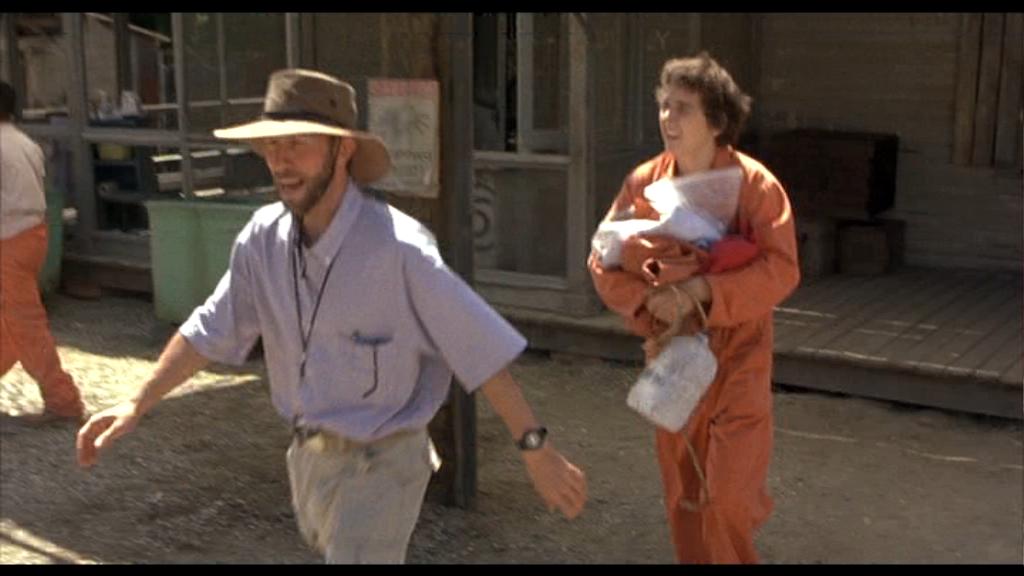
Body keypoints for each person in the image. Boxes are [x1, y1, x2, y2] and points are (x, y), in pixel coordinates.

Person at [76, 69, 587, 564]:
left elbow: (480, 350)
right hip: (308, 460)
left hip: (383, 463)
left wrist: (536, 448)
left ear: (342, 150)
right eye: (272, 146)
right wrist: (137, 402)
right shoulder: (261, 240)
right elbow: (210, 329)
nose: (281, 161)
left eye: (298, 143)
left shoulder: (400, 251)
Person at [588, 53, 800, 564]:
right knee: (684, 489)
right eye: (664, 105)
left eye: (682, 108)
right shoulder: (643, 181)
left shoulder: (756, 186)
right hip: (671, 347)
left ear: (717, 121)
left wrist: (702, 289)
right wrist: (648, 301)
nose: (668, 117)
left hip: (740, 352)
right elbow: (601, 260)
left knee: (728, 496)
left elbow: (782, 269)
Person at [0, 80, 86, 424]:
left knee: (24, 323)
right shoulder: (25, 143)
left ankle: (63, 400)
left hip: (8, 238)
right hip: (32, 235)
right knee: (12, 320)